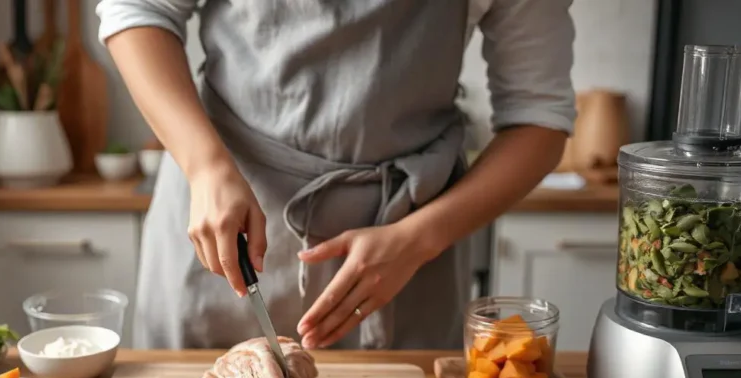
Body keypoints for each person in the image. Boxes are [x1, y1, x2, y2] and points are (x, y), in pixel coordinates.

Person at [97, 0, 575, 350]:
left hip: (409, 249)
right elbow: (138, 11)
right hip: (227, 218)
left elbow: (540, 117)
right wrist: (205, 166)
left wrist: (417, 239)